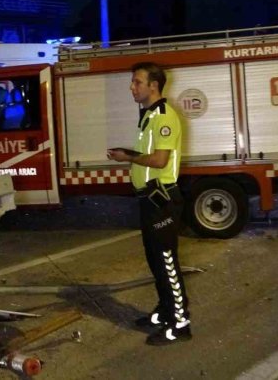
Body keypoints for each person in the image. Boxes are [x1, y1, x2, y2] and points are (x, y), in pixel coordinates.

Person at [107, 62, 190, 346]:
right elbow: (147, 155)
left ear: (153, 85)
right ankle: (165, 311)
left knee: (166, 261)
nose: (132, 87)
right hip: (149, 199)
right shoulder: (148, 115)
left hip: (162, 199)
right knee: (155, 260)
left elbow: (159, 160)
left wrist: (126, 157)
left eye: (137, 82)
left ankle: (180, 323)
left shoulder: (164, 116)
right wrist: (127, 154)